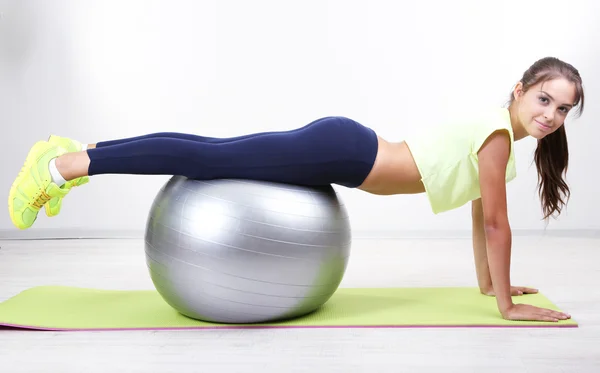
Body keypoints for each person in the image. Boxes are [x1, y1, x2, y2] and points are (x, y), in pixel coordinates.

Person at [8, 56, 584, 323]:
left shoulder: (496, 132)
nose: (551, 115)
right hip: (341, 152)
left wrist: (490, 287)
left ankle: (70, 156)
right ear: (520, 89)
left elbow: (480, 214)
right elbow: (494, 225)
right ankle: (63, 166)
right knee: (204, 155)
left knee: (207, 150)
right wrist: (508, 306)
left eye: (563, 110)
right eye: (544, 99)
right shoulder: (495, 136)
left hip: (342, 151)